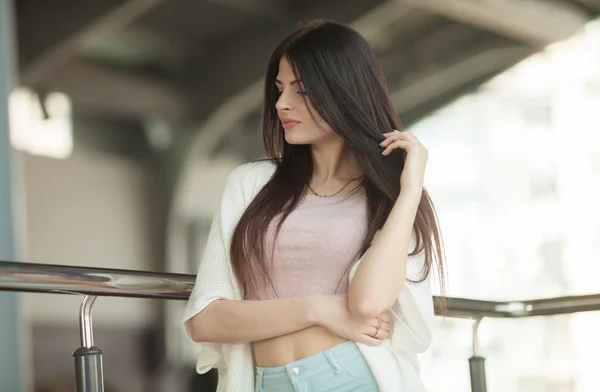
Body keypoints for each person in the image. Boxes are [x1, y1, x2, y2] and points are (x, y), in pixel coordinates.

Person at [182, 18, 446, 392]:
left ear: (344, 93)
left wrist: (410, 190)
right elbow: (204, 321)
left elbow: (369, 301)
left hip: (353, 379)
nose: (281, 104)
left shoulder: (386, 196)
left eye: (300, 90)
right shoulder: (250, 185)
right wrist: (319, 309)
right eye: (279, 88)